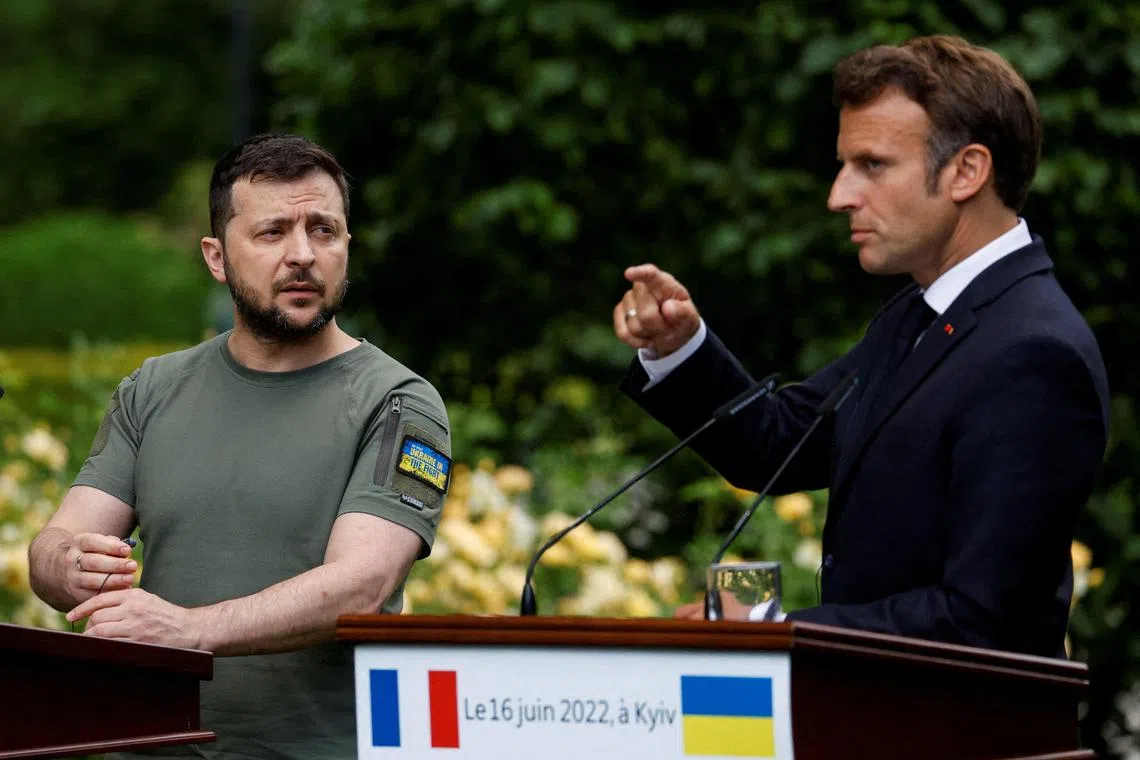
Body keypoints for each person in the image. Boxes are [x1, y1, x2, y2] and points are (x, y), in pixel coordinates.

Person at [613, 35, 1109, 658]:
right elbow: (777, 444)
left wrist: (776, 630)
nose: (839, 196)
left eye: (872, 165)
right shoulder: (924, 310)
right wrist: (679, 348)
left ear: (967, 171)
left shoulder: (1034, 353)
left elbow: (982, 620)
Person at [28, 134, 452, 757]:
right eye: (273, 232)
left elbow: (362, 583)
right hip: (151, 746)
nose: (303, 254)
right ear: (217, 257)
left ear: (347, 248)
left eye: (324, 231)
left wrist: (189, 630)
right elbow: (51, 549)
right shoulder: (153, 389)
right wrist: (69, 567)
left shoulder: (400, 404)